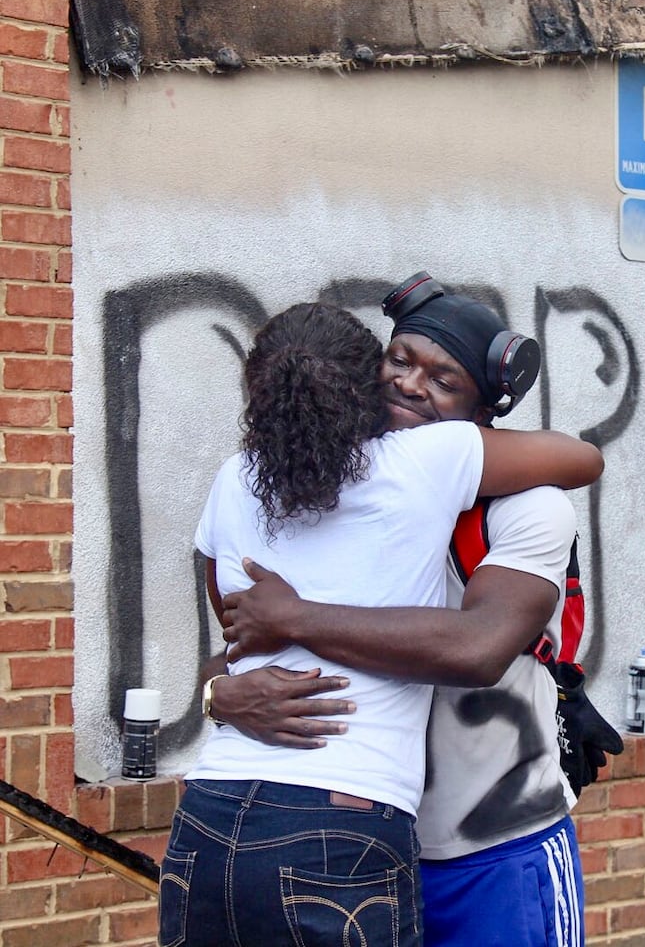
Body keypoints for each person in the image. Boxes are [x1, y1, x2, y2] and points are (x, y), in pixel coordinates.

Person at [159, 302, 602, 947]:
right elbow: (237, 647)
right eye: (399, 361)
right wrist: (217, 696)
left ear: (485, 416)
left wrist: (298, 617)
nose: (410, 385)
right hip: (363, 836)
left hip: (488, 846)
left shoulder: (525, 506)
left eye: (445, 381)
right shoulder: (304, 479)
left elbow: (480, 648)